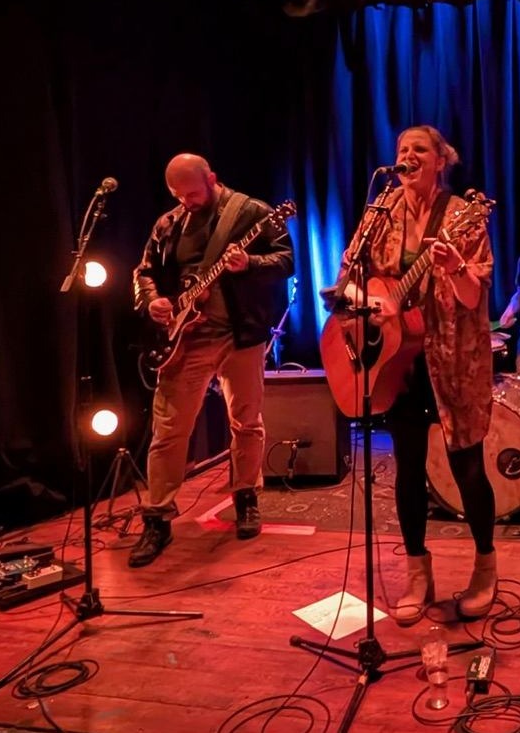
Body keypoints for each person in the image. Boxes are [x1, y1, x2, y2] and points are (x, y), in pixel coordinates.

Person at [334, 126, 498, 624]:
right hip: (398, 362)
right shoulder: (380, 210)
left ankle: (486, 567)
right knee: (406, 467)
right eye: (402, 150)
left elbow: (474, 297)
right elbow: (346, 285)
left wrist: (453, 269)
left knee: (467, 467)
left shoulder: (464, 216)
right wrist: (374, 307)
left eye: (419, 150)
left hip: (453, 359)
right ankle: (416, 571)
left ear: (441, 160)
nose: (408, 157)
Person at [129, 154, 294, 567]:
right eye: (179, 196)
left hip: (241, 335)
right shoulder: (168, 224)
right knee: (169, 429)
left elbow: (286, 260)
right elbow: (144, 272)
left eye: (193, 194)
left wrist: (249, 263)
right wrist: (153, 301)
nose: (187, 202)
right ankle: (158, 516)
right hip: (188, 338)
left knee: (247, 421)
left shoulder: (252, 212)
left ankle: (246, 497)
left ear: (212, 179)